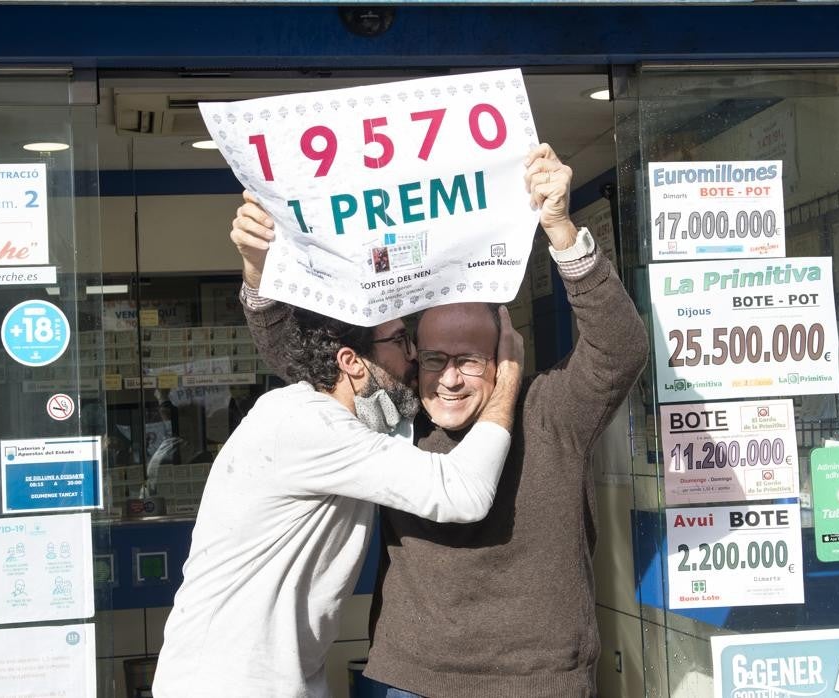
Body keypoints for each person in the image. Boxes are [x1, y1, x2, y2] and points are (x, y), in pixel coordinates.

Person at [235, 143, 649, 697]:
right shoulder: (395, 416)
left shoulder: (550, 410)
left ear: (505, 353)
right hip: (409, 679)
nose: (449, 379)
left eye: (469, 361)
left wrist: (561, 230)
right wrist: (258, 270)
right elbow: (301, 358)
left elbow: (620, 349)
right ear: (413, 359)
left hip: (538, 682)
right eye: (434, 360)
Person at [152, 248, 526, 696]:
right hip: (227, 683)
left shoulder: (350, 419)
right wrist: (506, 378)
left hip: (277, 679)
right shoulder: (305, 425)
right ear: (350, 361)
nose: (412, 358)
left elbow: (296, 349)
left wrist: (258, 281)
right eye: (399, 341)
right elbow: (462, 492)